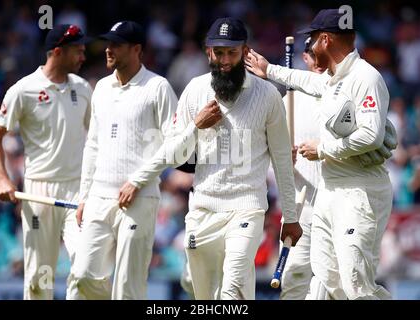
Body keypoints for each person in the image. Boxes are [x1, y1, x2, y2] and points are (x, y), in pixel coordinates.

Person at [118, 17, 302, 300]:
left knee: (231, 293)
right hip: (202, 209)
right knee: (203, 296)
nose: (225, 60)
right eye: (219, 52)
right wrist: (196, 126)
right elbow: (175, 154)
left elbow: (281, 160)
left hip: (246, 209)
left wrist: (290, 216)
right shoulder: (195, 89)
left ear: (245, 51)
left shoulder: (267, 96)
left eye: (232, 52)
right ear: (208, 52)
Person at [245, 8, 396, 299]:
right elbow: (308, 82)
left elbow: (371, 135)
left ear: (325, 40)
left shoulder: (366, 77)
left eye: (313, 40)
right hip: (331, 190)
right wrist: (270, 70)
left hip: (360, 189)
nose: (311, 47)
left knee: (356, 283)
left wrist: (323, 149)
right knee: (330, 278)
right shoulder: (333, 80)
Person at [67, 21, 178, 300]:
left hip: (139, 200)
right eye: (108, 44)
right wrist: (84, 196)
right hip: (99, 198)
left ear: (136, 49)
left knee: (128, 288)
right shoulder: (102, 88)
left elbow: (174, 145)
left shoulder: (157, 87)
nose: (108, 49)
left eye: (116, 45)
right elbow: (92, 144)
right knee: (81, 275)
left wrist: (138, 181)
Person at [0, 24, 92, 300]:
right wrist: (2, 178)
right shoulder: (24, 90)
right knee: (38, 278)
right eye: (78, 51)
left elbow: (95, 140)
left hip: (78, 191)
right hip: (38, 192)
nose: (83, 57)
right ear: (57, 52)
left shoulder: (82, 89)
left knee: (87, 269)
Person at [279, 38, 327, 299]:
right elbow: (272, 157)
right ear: (305, 58)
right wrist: (284, 157)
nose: (317, 59)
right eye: (311, 54)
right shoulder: (289, 100)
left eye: (322, 53)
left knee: (334, 282)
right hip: (301, 204)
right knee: (293, 276)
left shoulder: (347, 91)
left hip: (337, 201)